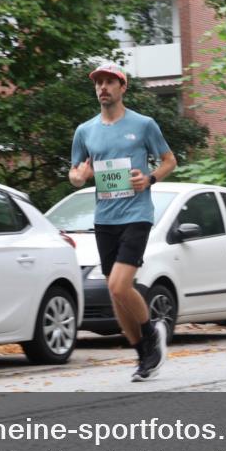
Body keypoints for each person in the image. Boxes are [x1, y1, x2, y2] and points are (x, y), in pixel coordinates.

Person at [70, 63, 177, 381]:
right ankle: (143, 355)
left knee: (119, 284)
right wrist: (79, 177)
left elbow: (170, 160)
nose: (103, 87)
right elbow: (76, 173)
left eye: (109, 82)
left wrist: (150, 178)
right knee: (116, 291)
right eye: (98, 83)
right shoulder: (85, 131)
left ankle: (150, 338)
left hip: (137, 215)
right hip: (105, 218)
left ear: (122, 87)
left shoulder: (143, 125)